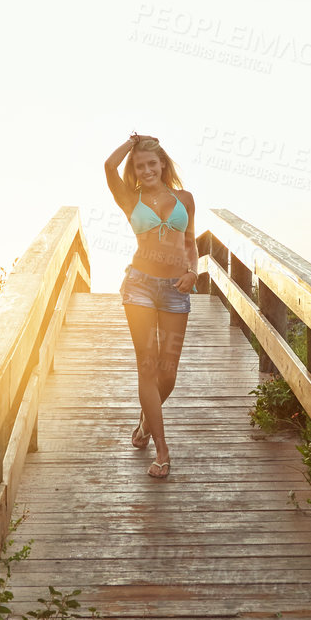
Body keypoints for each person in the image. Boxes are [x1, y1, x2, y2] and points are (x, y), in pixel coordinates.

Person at [103, 133, 198, 479]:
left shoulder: (184, 199)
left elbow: (190, 243)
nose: (146, 170)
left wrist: (193, 271)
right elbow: (108, 166)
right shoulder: (130, 198)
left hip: (175, 290)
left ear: (163, 165)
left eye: (151, 164)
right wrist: (132, 143)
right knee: (147, 366)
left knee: (167, 374)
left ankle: (144, 424)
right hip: (139, 286)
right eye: (140, 165)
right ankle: (162, 449)